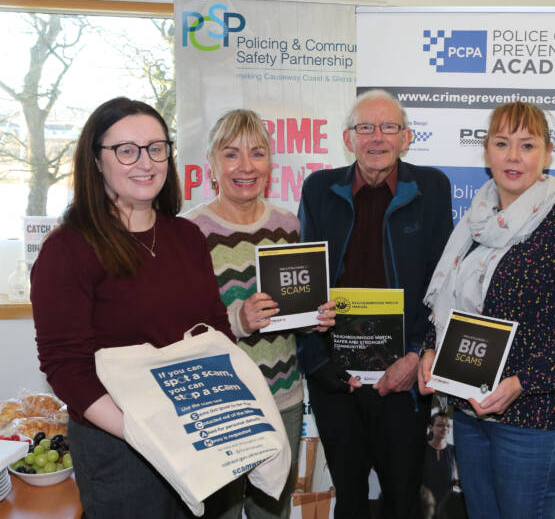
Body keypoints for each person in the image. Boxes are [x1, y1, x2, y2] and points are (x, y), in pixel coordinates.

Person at [30, 97, 234, 518]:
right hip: (122, 450)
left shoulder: (187, 236)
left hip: (198, 436)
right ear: (96, 160)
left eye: (156, 148)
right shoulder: (68, 249)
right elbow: (66, 366)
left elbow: (215, 330)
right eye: (126, 150)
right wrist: (143, 432)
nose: (145, 162)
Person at [418, 101, 555, 519]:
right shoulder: (473, 224)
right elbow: (450, 304)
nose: (513, 156)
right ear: (486, 150)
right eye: (502, 143)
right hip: (471, 413)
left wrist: (522, 383)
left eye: (526, 145)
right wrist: (430, 349)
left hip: (536, 420)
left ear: (546, 153)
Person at [296, 89, 453, 519]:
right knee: (347, 497)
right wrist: (316, 363)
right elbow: (305, 285)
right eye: (365, 127)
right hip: (335, 376)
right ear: (349, 138)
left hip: (401, 374)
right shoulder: (318, 188)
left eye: (389, 127)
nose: (377, 138)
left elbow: (443, 284)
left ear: (406, 138)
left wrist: (416, 356)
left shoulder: (432, 187)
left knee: (402, 498)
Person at [183, 109, 336, 519]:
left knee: (273, 512)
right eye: (231, 154)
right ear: (212, 164)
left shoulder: (287, 223)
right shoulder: (189, 232)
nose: (246, 166)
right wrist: (237, 320)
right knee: (221, 513)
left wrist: (314, 319)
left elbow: (294, 309)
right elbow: (174, 328)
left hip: (283, 397)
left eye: (257, 153)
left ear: (270, 163)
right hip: (219, 405)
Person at [421, 412, 457, 515]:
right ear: (430, 427)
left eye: (447, 425)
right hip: (425, 505)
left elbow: (454, 477)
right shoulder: (421, 449)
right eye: (440, 425)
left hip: (446, 506)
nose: (445, 428)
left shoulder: (453, 450)